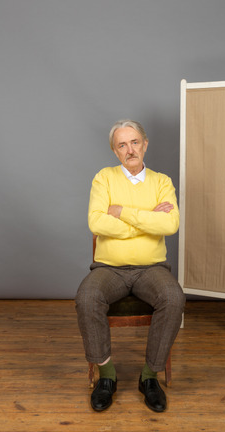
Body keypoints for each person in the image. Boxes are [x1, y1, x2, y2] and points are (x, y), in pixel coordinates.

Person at [75, 119, 185, 412]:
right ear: (115, 150)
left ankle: (149, 377)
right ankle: (106, 375)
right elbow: (96, 222)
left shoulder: (162, 182)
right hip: (109, 269)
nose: (130, 149)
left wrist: (123, 212)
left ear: (145, 144)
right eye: (122, 144)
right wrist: (148, 219)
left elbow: (171, 223)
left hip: (152, 269)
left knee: (173, 297)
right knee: (86, 297)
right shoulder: (104, 178)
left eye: (135, 142)